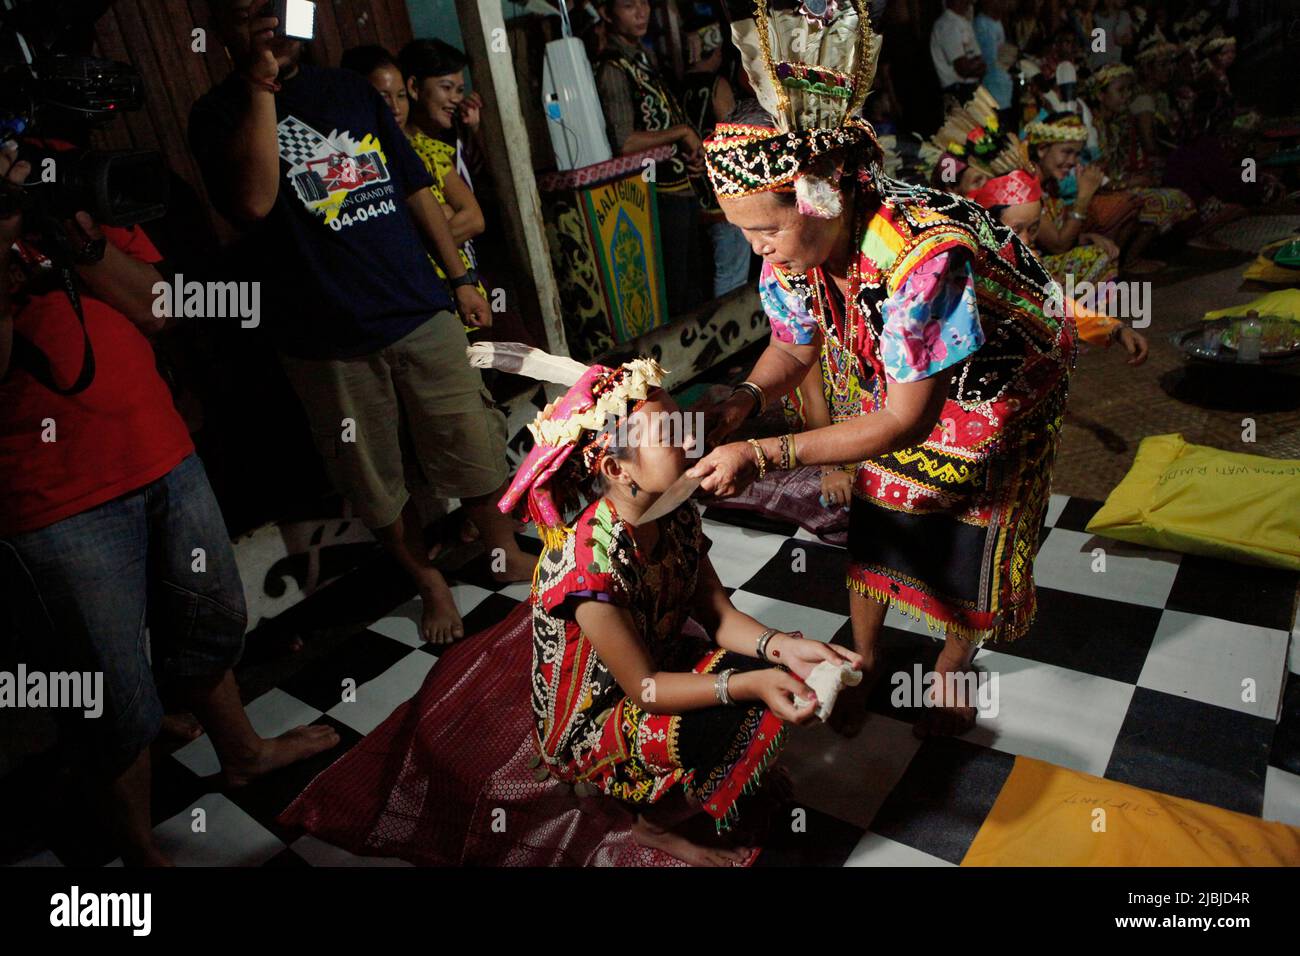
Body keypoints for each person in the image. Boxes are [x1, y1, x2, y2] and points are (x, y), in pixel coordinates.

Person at [279, 353, 860, 866]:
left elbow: (718, 615)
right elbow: (647, 691)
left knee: (752, 687)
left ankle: (706, 765)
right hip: (596, 713)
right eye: (669, 434)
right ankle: (653, 825)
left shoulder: (674, 508)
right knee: (738, 708)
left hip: (650, 664)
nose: (691, 438)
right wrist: (752, 684)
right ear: (615, 468)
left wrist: (781, 645)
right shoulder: (589, 569)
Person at [692, 1, 1075, 739]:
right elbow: (796, 345)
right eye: (744, 233)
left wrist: (768, 453)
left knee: (974, 512)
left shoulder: (921, 260)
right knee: (879, 504)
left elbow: (906, 418)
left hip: (1004, 370)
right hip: (909, 368)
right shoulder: (798, 249)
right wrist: (744, 398)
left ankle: (950, 664)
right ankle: (862, 660)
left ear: (823, 192)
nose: (758, 249)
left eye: (765, 229)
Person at [0, 143, 338, 866]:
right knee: (111, 698)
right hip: (51, 498)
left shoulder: (64, 181)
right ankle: (140, 855)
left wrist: (68, 232)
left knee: (207, 623)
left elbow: (158, 306)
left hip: (161, 451)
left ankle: (243, 752)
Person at [190, 0, 532, 645]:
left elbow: (413, 187)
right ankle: (427, 580)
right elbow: (255, 202)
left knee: (471, 438)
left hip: (415, 305)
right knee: (370, 475)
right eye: (246, 15)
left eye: (274, 9)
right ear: (225, 33)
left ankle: (498, 548)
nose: (266, 22)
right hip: (322, 337)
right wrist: (261, 91)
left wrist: (458, 278)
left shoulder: (346, 89)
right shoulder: (215, 115)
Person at [347, 43, 489, 306]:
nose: (394, 107)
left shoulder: (428, 148)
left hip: (462, 285)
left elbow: (475, 219)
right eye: (446, 88)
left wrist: (426, 231)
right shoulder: (356, 165)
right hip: (416, 297)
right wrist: (442, 214)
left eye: (399, 96)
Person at [594, 0, 707, 315]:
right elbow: (625, 141)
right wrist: (681, 132)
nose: (641, 12)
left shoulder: (642, 58)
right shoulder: (613, 68)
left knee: (694, 281)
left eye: (643, 3)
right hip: (654, 193)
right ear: (606, 13)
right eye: (629, 6)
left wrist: (687, 150)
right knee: (675, 289)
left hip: (680, 183)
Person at [970, 169, 1149, 365]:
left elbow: (1058, 305)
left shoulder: (1028, 262)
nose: (1026, 240)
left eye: (1033, 229)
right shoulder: (968, 265)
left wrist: (1115, 330)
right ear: (988, 225)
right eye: (1016, 230)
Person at [680, 16, 752, 298]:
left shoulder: (680, 85)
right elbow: (733, 139)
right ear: (718, 50)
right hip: (723, 197)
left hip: (696, 191)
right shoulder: (715, 85)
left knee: (715, 268)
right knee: (732, 272)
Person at [930, 0, 986, 103]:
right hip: (957, 91)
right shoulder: (947, 24)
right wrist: (975, 66)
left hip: (969, 88)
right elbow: (962, 69)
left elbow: (980, 60)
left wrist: (974, 66)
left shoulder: (963, 22)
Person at [973, 0, 1014, 111]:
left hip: (1004, 91)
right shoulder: (980, 24)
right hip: (989, 93)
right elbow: (986, 60)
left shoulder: (998, 23)